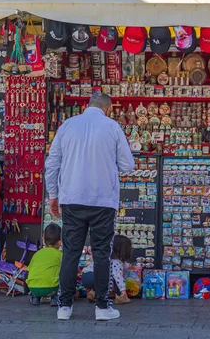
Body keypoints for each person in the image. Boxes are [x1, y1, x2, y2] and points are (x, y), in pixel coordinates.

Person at [46, 92, 135, 321]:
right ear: (108, 109)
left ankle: (64, 306)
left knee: (70, 253)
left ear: (87, 106)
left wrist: (53, 195)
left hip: (72, 199)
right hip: (103, 201)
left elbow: (53, 162)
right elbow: (127, 164)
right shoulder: (112, 127)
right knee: (102, 254)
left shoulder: (67, 125)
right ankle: (103, 307)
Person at [82, 235, 132, 305]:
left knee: (104, 274)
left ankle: (92, 293)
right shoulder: (116, 262)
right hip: (94, 278)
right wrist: (123, 290)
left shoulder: (105, 258)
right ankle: (121, 296)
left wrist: (128, 265)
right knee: (113, 277)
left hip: (85, 276)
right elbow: (118, 278)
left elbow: (123, 264)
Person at [27, 224, 62, 306]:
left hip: (33, 288)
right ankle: (55, 298)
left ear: (43, 238)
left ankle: (35, 298)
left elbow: (28, 271)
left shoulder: (37, 254)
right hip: (52, 289)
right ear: (60, 242)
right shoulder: (60, 254)